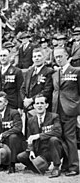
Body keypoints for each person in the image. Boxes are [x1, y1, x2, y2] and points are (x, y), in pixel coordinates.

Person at [17, 94, 65, 178]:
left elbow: (58, 132)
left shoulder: (54, 117)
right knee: (21, 157)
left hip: (52, 149)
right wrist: (31, 150)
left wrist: (39, 135)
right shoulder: (31, 120)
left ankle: (56, 167)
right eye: (37, 103)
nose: (39, 106)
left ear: (46, 105)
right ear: (34, 106)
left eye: (42, 103)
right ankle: (39, 166)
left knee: (53, 139)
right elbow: (29, 138)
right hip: (39, 150)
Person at [52, 47, 79, 176]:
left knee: (70, 138)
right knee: (61, 138)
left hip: (70, 109)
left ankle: (74, 166)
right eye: (56, 57)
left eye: (60, 56)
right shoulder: (55, 74)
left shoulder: (76, 71)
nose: (58, 59)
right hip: (57, 110)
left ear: (67, 56)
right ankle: (66, 164)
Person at [21, 48, 54, 113]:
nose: (37, 58)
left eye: (39, 56)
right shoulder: (29, 71)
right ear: (32, 59)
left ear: (44, 57)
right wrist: (25, 100)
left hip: (42, 107)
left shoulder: (49, 71)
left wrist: (31, 100)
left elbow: (47, 91)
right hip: (28, 107)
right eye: (34, 56)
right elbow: (22, 88)